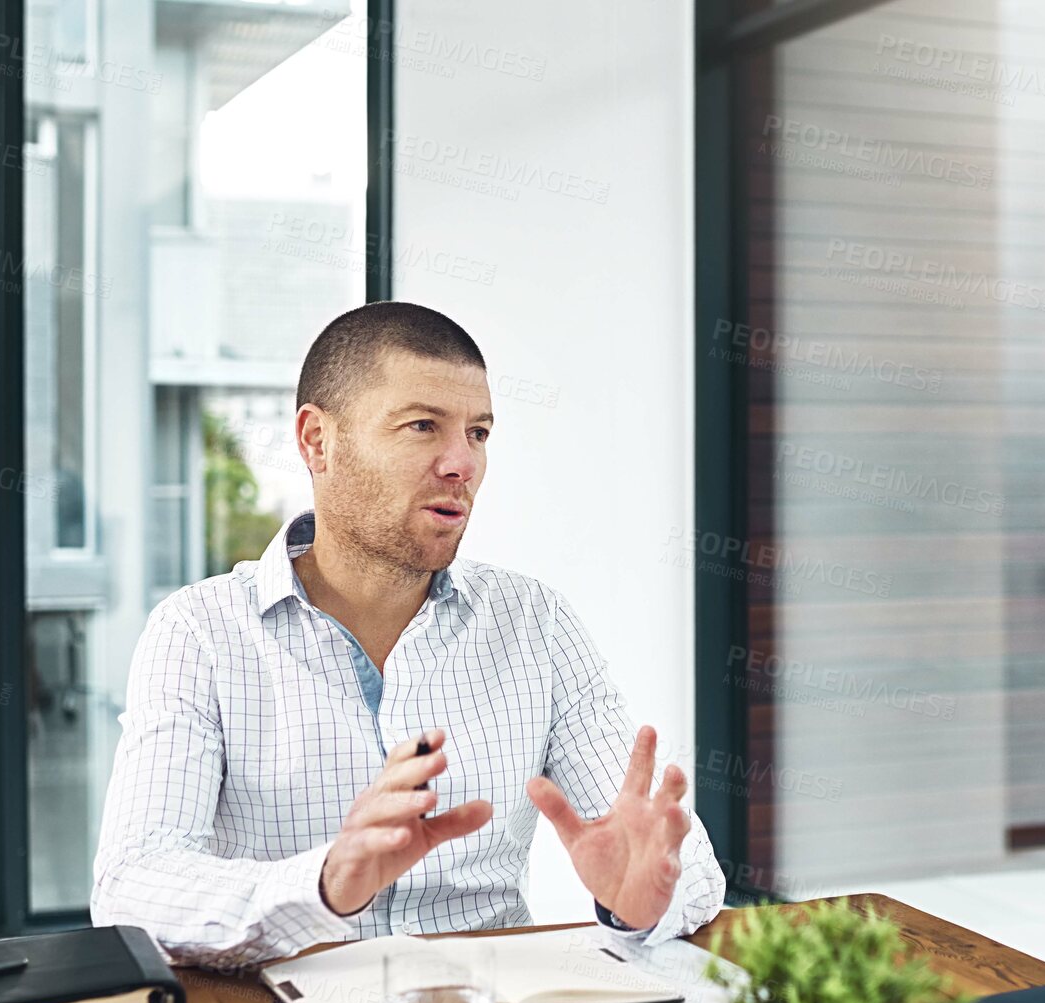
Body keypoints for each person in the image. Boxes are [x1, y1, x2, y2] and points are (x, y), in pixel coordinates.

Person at [92, 302, 725, 969]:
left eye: (478, 433)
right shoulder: (199, 632)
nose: (462, 463)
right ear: (316, 441)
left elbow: (681, 870)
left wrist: (637, 904)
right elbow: (132, 887)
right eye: (423, 425)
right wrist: (324, 882)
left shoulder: (535, 622)